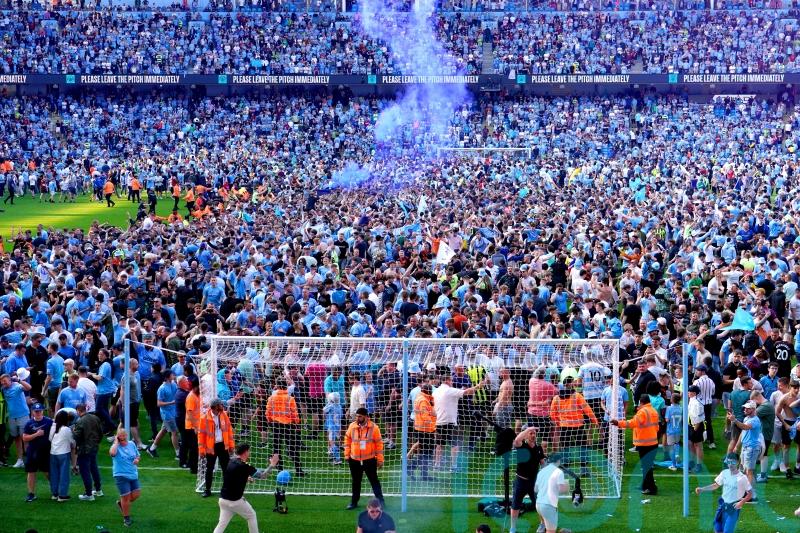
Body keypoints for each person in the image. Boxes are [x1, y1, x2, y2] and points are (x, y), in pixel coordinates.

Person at [213, 444, 279, 533]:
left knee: (221, 524)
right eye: (249, 451)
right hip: (235, 501)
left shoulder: (231, 461)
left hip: (223, 500)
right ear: (246, 452)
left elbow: (233, 475)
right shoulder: (245, 466)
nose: (250, 452)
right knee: (251, 516)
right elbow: (263, 475)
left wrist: (246, 478)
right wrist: (272, 465)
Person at [612, 394, 660, 495]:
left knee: (646, 466)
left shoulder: (643, 412)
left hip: (645, 443)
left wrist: (618, 423)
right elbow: (657, 427)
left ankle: (651, 488)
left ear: (641, 402)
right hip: (653, 442)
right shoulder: (653, 411)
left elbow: (633, 423)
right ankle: (645, 485)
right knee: (647, 465)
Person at [695, 453, 752, 533]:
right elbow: (715, 485)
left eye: (733, 462)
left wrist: (741, 502)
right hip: (722, 505)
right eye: (728, 462)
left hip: (734, 507)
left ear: (738, 462)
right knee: (718, 528)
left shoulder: (742, 478)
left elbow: (750, 494)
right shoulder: (724, 473)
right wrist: (702, 489)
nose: (730, 465)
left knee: (727, 530)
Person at [345, 407, 385, 510]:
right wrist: (346, 454)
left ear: (367, 417)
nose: (358, 418)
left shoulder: (374, 428)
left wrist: (380, 459)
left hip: (369, 460)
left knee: (374, 481)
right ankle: (354, 502)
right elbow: (347, 440)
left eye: (360, 416)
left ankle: (381, 502)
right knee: (356, 482)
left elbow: (379, 444)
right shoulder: (352, 426)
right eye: (357, 416)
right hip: (354, 460)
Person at [265, 377, 305, 477]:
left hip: (275, 425)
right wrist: (296, 423)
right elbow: (294, 413)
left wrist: (270, 421)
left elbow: (267, 412)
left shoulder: (271, 398)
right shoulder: (290, 398)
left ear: (277, 386)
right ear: (286, 386)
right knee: (292, 448)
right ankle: (299, 470)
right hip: (288, 426)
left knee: (276, 449)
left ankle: (280, 470)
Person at [509, 426, 545, 533]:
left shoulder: (539, 448)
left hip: (534, 482)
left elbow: (542, 463)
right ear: (526, 435)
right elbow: (516, 440)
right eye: (531, 433)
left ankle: (542, 524)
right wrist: (527, 429)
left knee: (539, 505)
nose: (533, 435)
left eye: (534, 433)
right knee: (515, 505)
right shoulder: (522, 446)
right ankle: (513, 528)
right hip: (520, 481)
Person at [199, 398, 235, 497]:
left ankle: (226, 489)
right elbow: (201, 436)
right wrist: (201, 450)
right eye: (220, 405)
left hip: (223, 446)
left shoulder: (224, 415)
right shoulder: (204, 418)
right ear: (214, 407)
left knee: (225, 469)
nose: (222, 407)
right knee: (209, 469)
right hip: (211, 447)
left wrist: (231, 445)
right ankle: (207, 490)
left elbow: (229, 431)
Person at [728, 400, 761, 502]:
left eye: (748, 408)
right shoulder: (747, 418)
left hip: (751, 448)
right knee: (743, 470)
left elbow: (745, 427)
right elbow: (743, 432)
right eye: (745, 408)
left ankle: (750, 495)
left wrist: (734, 420)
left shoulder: (754, 420)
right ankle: (746, 493)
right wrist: (737, 446)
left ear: (753, 409)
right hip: (746, 448)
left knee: (749, 471)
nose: (745, 409)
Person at [109, 428, 140, 528]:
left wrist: (136, 460)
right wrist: (116, 443)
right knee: (125, 497)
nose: (122, 438)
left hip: (133, 474)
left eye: (124, 436)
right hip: (121, 475)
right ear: (117, 436)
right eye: (120, 436)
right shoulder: (115, 446)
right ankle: (126, 518)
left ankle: (122, 504)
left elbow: (137, 456)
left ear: (126, 435)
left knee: (136, 494)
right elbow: (112, 453)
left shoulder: (131, 444)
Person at [21, 403, 52, 502]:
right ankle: (31, 493)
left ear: (43, 411)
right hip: (32, 451)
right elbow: (24, 437)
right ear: (33, 412)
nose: (38, 413)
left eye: (40, 411)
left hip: (45, 452)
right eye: (36, 411)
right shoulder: (29, 423)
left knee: (48, 472)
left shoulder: (49, 421)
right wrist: (36, 434)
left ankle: (56, 490)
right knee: (31, 472)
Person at [73, 403, 103, 501]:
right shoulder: (95, 418)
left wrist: (73, 431)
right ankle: (98, 490)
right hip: (94, 447)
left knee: (85, 471)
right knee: (94, 468)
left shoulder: (80, 421)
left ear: (78, 410)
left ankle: (89, 494)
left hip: (84, 449)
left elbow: (76, 437)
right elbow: (100, 432)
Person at [534, 452, 570, 533]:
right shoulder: (558, 472)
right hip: (548, 506)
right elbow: (561, 490)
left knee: (546, 528)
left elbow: (536, 489)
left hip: (538, 504)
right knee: (550, 531)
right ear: (558, 461)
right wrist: (567, 485)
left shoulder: (541, 471)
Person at [2, 372, 32, 468]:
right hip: (11, 417)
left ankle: (29, 460)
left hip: (23, 415)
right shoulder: (3, 389)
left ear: (10, 380)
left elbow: (29, 388)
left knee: (25, 438)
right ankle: (20, 460)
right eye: (2, 382)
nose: (3, 383)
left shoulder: (17, 386)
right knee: (16, 438)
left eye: (5, 381)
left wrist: (19, 380)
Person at [147, 369, 179, 459]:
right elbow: (159, 403)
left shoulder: (173, 384)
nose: (174, 376)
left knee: (163, 431)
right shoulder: (162, 389)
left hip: (173, 412)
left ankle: (152, 448)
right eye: (172, 375)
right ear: (167, 377)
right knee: (174, 432)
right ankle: (178, 453)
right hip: (167, 413)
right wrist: (171, 403)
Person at [48, 409, 76, 502]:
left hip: (53, 453)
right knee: (64, 475)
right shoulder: (66, 429)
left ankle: (54, 494)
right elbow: (72, 442)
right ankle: (62, 495)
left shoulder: (53, 427)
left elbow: (49, 439)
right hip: (64, 454)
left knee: (54, 474)